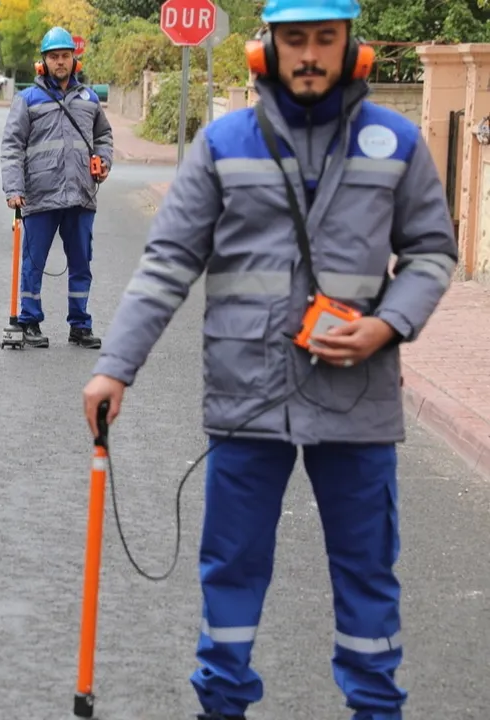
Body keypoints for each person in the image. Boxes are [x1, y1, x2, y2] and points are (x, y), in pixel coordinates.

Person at [81, 0, 457, 717]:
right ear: (267, 50)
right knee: (232, 567)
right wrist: (114, 366)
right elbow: (166, 265)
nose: (309, 53)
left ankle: (376, 710)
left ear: (352, 47)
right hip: (247, 396)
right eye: (295, 39)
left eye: (325, 38)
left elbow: (433, 253)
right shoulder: (223, 144)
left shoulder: (398, 142)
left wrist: (387, 326)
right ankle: (221, 705)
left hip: (357, 396)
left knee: (367, 573)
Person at [0, 26, 113, 350]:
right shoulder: (27, 100)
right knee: (33, 263)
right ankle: (29, 321)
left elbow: (103, 136)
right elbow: (12, 146)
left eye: (65, 56)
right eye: (54, 57)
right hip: (40, 195)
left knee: (81, 265)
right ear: (43, 62)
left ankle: (80, 325)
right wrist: (14, 189)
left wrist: (104, 160)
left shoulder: (89, 99)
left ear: (74, 60)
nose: (60, 62)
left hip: (81, 195)